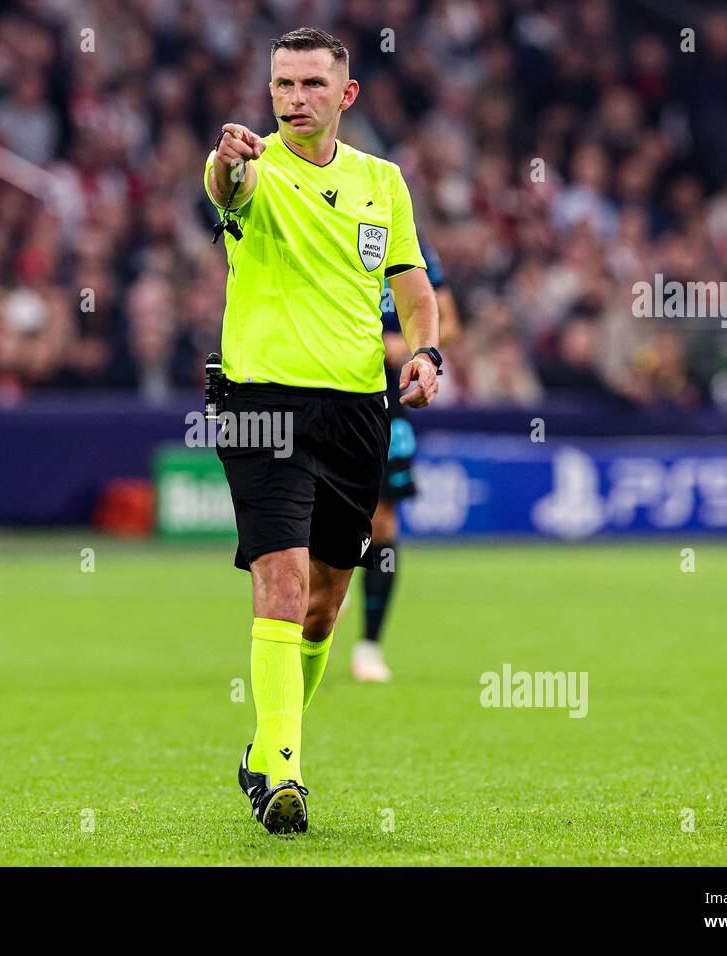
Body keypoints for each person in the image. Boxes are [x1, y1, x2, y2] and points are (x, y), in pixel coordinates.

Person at [205, 28, 442, 835]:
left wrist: (425, 350)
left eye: (310, 84)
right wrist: (229, 160)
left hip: (355, 412)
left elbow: (410, 283)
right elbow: (223, 185)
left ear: (345, 96)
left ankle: (266, 750)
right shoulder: (254, 168)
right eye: (281, 85)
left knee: (324, 605)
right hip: (263, 402)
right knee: (279, 578)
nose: (294, 99)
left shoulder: (384, 182)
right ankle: (285, 774)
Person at [354, 234, 460, 682]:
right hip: (327, 386)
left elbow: (449, 322)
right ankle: (320, 599)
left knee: (383, 522)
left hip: (389, 400)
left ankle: (369, 644)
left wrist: (410, 347)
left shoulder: (414, 249)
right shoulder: (324, 222)